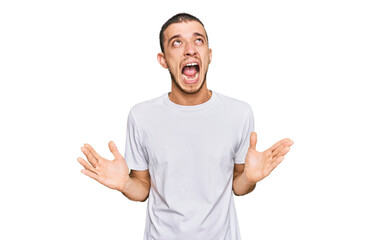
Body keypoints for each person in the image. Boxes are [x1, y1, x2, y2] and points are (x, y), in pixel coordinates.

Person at [77, 12, 294, 240]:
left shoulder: (238, 113)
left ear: (209, 55)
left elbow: (239, 186)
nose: (190, 49)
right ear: (163, 60)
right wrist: (124, 184)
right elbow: (142, 188)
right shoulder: (141, 116)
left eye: (198, 40)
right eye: (177, 42)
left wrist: (249, 178)